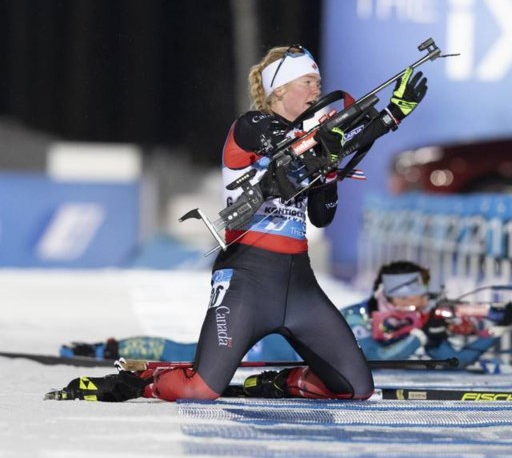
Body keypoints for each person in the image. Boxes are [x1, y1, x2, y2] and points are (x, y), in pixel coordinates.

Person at [55, 44, 428, 403]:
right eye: (307, 82)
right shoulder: (251, 125)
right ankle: (145, 380)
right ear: (279, 88)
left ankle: (284, 383)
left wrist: (385, 121)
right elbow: (289, 152)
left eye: (317, 82)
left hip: (299, 283)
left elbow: (321, 215)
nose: (317, 90)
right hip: (248, 278)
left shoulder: (315, 144)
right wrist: (350, 135)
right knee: (201, 389)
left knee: (355, 387)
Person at [58, 261, 512, 369]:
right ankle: (107, 350)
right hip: (273, 349)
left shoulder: (413, 318)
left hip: (289, 362)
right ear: (385, 294)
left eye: (419, 296)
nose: (416, 304)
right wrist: (419, 336)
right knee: (189, 352)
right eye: (406, 295)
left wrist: (495, 326)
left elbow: (451, 361)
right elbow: (367, 349)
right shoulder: (360, 313)